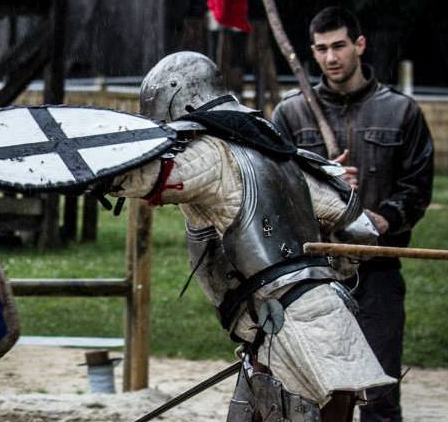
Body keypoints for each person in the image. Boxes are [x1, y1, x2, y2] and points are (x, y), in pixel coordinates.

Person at [110, 51, 393, 421]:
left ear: (182, 102)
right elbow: (361, 231)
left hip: (284, 330)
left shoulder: (212, 155)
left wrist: (82, 164)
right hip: (327, 317)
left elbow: (136, 176)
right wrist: (328, 265)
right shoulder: (281, 152)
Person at [272, 6, 435, 421]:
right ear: (311, 51)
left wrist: (384, 218)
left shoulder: (401, 112)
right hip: (312, 277)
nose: (331, 58)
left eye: (339, 46)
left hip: (378, 270)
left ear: (359, 45)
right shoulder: (290, 114)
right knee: (319, 395)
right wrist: (322, 181)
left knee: (379, 396)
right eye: (322, 49)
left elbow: (417, 186)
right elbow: (272, 189)